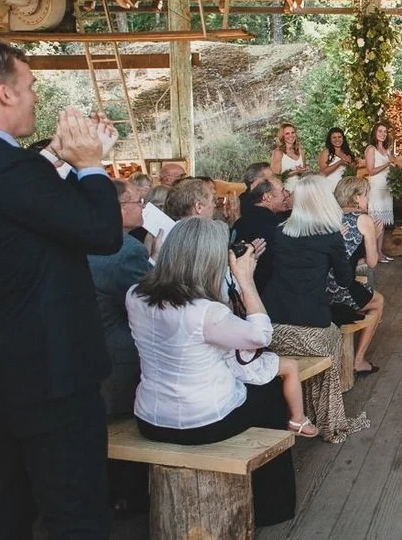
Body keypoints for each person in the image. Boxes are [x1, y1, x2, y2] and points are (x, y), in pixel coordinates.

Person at [0, 42, 123, 539]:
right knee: (75, 510)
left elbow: (23, 200)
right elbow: (103, 232)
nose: (34, 97)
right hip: (50, 373)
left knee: (1, 509)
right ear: (4, 92)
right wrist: (89, 164)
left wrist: (57, 158)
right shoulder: (10, 169)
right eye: (29, 87)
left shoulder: (10, 170)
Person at [126, 217, 296, 525]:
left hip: (149, 418)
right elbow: (261, 336)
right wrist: (245, 280)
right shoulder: (206, 312)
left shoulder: (135, 295)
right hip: (204, 422)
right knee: (270, 394)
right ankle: (274, 507)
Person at [262, 174, 354, 442]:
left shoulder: (278, 232)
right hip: (310, 325)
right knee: (334, 337)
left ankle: (300, 409)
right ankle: (328, 416)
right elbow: (345, 280)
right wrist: (343, 246)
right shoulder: (330, 237)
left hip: (273, 326)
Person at [89, 180, 152, 416]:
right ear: (121, 207)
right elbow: (147, 305)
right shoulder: (128, 250)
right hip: (119, 359)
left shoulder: (81, 238)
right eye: (139, 201)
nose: (143, 207)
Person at [329, 177, 385, 373]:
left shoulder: (329, 216)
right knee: (378, 302)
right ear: (356, 198)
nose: (367, 200)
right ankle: (358, 361)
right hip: (340, 288)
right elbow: (372, 262)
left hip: (319, 285)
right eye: (365, 195)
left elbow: (348, 256)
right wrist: (374, 236)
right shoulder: (363, 219)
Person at [232, 176, 292, 293]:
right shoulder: (278, 226)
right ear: (267, 197)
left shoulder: (239, 223)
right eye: (283, 191)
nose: (286, 195)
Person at [364, 121, 396, 261]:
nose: (383, 134)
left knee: (382, 222)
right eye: (380, 131)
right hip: (376, 188)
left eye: (385, 132)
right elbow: (370, 171)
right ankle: (373, 252)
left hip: (386, 189)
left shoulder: (387, 150)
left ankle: (380, 252)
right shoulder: (371, 149)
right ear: (375, 133)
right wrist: (387, 164)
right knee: (376, 221)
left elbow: (393, 166)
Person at [318, 127, 355, 191]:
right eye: (334, 137)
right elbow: (323, 172)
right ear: (330, 139)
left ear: (343, 138)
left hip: (344, 188)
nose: (337, 139)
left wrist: (352, 164)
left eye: (339, 137)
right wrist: (339, 163)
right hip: (329, 188)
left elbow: (352, 170)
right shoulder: (326, 152)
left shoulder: (346, 152)